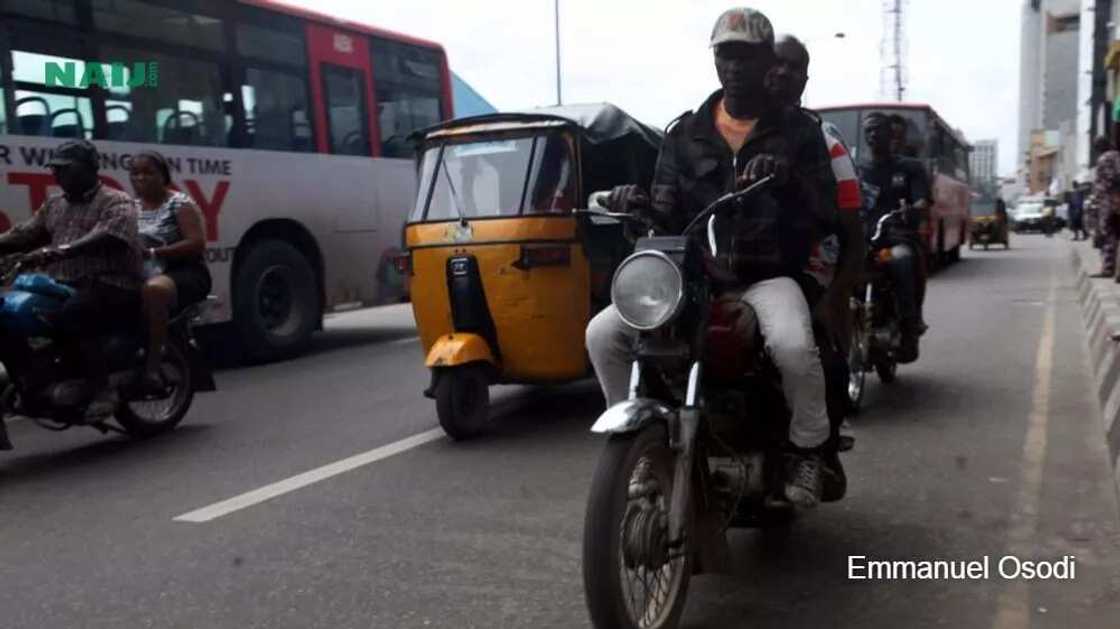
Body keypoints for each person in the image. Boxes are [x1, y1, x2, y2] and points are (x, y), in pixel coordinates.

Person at [587, 8, 838, 508]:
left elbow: (827, 211)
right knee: (603, 333)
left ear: (767, 60)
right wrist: (632, 201)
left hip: (767, 277)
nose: (735, 65)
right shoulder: (684, 134)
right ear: (715, 60)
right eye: (726, 53)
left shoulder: (800, 132)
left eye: (746, 54)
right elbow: (665, 210)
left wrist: (789, 179)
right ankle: (636, 446)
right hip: (695, 277)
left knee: (791, 345)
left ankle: (807, 449)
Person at [0, 139, 142, 447]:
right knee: (9, 314)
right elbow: (25, 233)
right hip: (65, 284)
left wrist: (63, 250)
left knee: (74, 313)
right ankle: (31, 382)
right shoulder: (54, 204)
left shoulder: (116, 200)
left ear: (90, 169)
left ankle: (102, 388)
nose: (58, 175)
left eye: (66, 168)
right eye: (55, 168)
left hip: (113, 283)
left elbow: (111, 236)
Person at [766, 33, 863, 453]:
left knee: (818, 347)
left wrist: (833, 298)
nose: (783, 73)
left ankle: (819, 449)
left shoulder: (825, 142)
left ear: (806, 79)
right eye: (776, 62)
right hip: (740, 263)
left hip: (807, 262)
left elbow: (850, 231)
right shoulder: (718, 131)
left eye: (794, 67)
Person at [129, 151, 211, 394]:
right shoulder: (129, 208)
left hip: (183, 271)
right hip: (141, 271)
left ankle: (155, 363)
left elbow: (197, 243)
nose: (141, 178)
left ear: (163, 175)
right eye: (135, 173)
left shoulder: (180, 204)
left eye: (148, 172)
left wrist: (155, 252)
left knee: (154, 291)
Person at [859, 112, 932, 363]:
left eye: (877, 130)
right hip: (864, 240)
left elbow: (922, 200)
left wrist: (913, 208)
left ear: (891, 135)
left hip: (897, 237)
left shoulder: (909, 168)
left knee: (901, 260)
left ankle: (909, 329)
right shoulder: (859, 171)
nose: (872, 135)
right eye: (867, 130)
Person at [1091, 136, 1120, 278]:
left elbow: (1110, 179)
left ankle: (1108, 268)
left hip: (1109, 202)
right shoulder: (1117, 156)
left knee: (1108, 234)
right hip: (1113, 200)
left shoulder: (1105, 159)